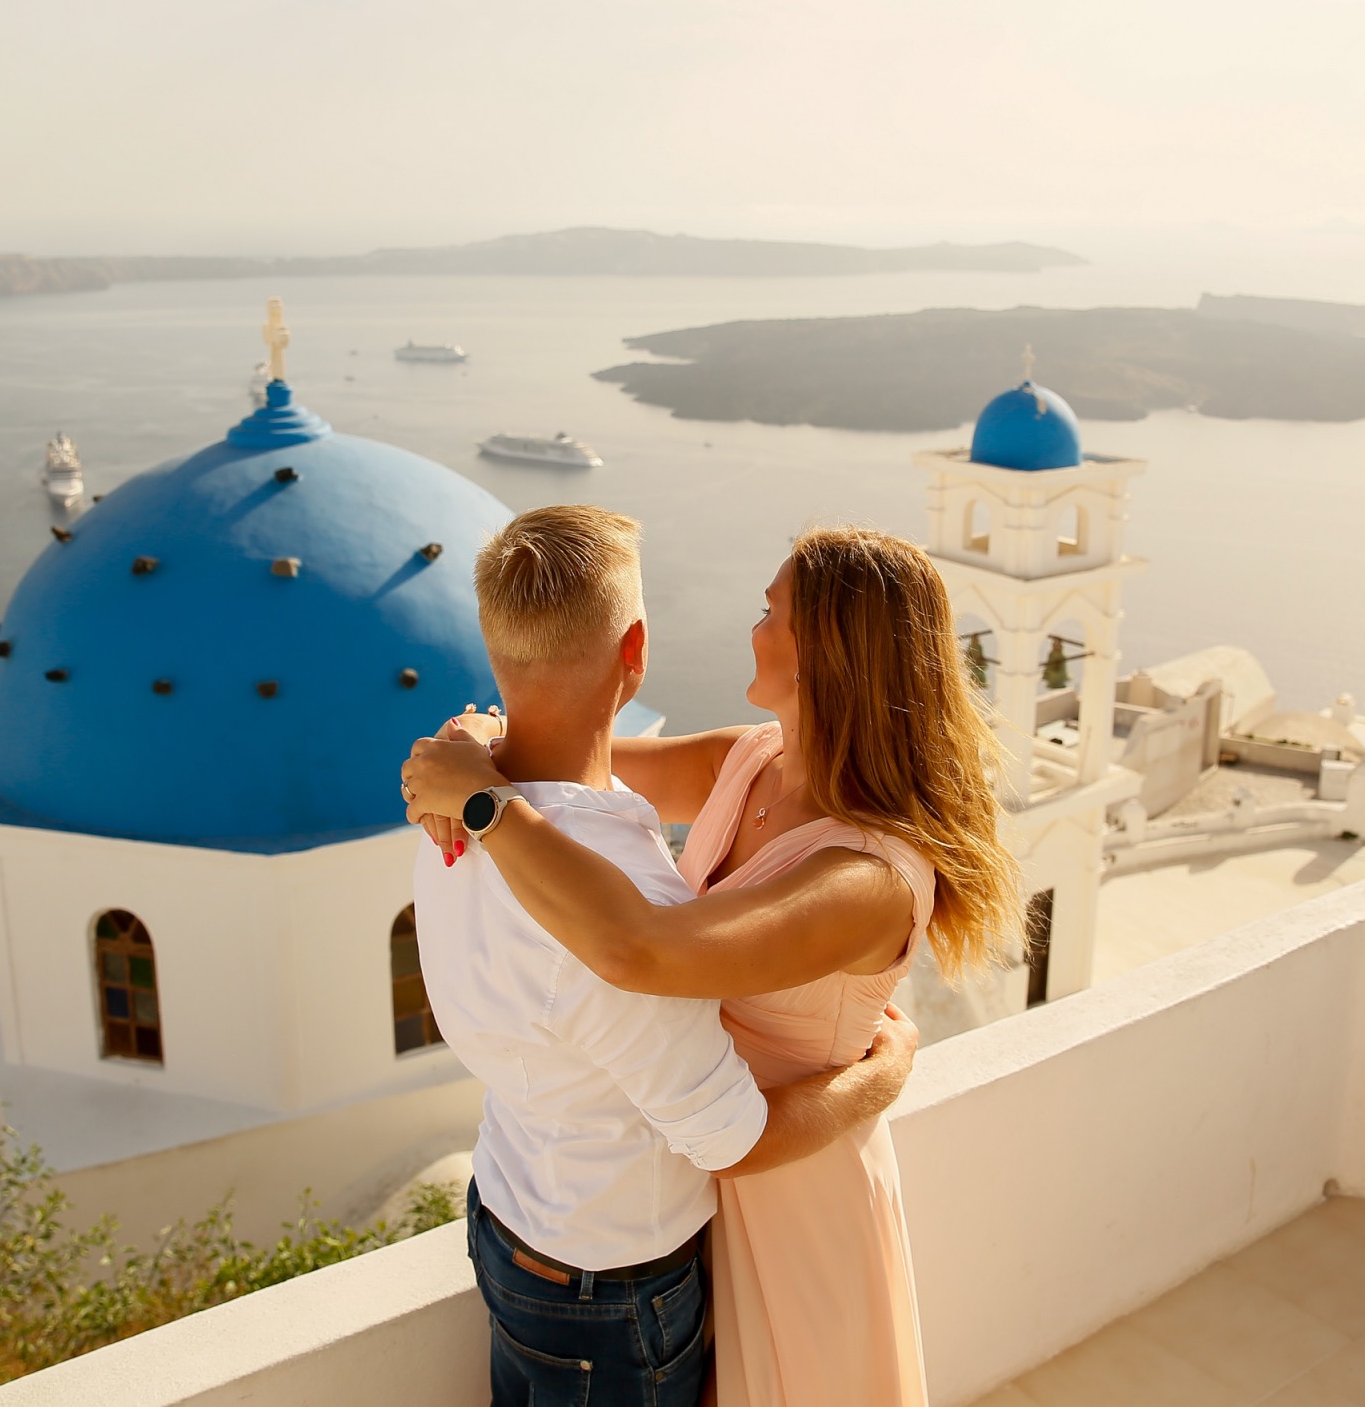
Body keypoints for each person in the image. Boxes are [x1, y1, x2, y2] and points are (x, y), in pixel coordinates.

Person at [406, 523, 1025, 1407]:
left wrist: (477, 798)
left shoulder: (865, 880)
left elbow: (643, 950)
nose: (752, 627)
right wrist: (473, 736)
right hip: (693, 1161)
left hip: (787, 1177)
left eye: (770, 611)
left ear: (827, 654)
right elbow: (561, 741)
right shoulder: (753, 761)